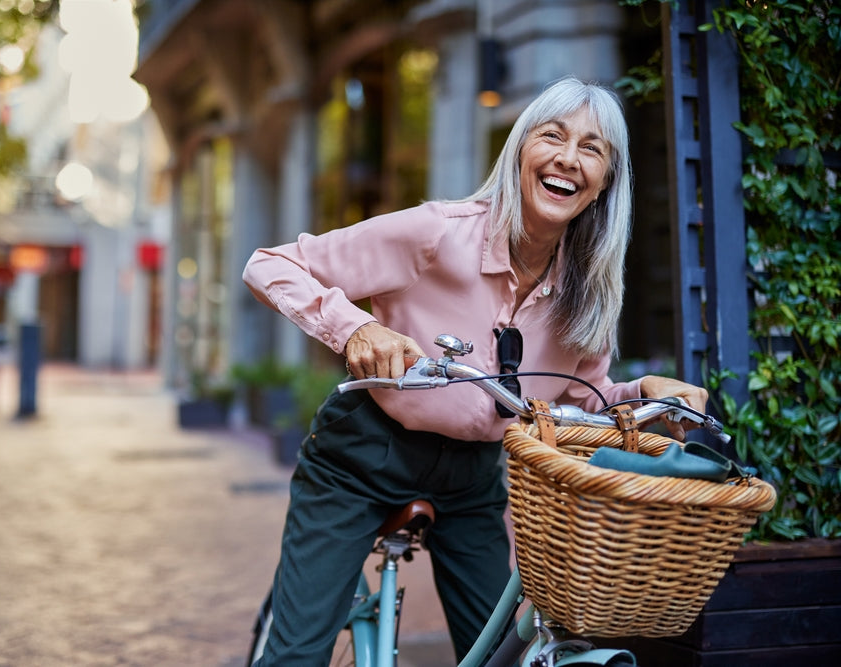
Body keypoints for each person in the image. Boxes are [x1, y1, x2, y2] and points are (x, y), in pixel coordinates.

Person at [242, 76, 708, 666]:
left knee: (502, 658)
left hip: (473, 481)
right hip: (361, 457)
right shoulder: (438, 232)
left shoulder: (587, 291)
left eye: (592, 148)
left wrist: (645, 394)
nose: (568, 158)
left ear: (605, 182)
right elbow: (270, 265)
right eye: (553, 136)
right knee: (294, 659)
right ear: (520, 151)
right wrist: (353, 327)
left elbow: (582, 397)